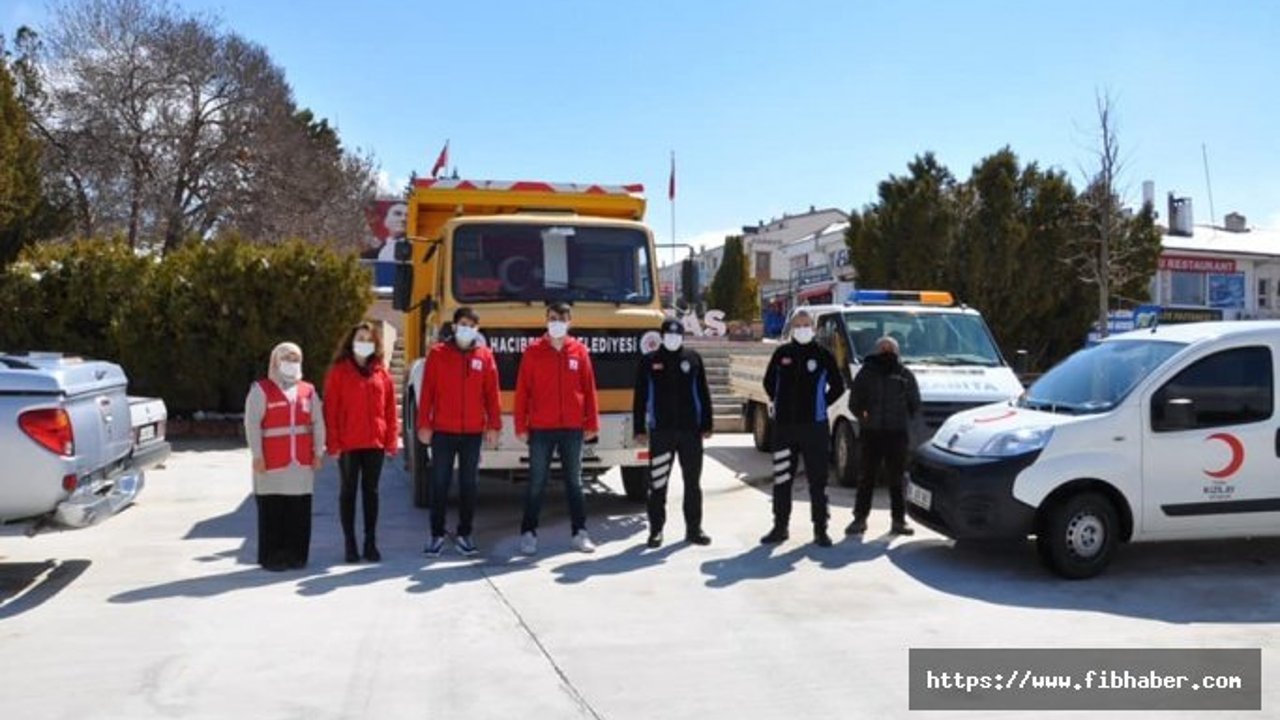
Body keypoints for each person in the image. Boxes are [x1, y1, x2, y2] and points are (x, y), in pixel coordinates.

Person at [514, 302, 600, 555]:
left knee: (574, 482)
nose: (557, 323)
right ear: (546, 320)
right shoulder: (533, 352)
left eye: (562, 318)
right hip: (541, 428)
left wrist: (592, 422)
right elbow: (522, 392)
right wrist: (521, 424)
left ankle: (580, 533)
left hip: (572, 428)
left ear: (570, 322)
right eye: (553, 318)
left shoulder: (579, 352)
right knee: (537, 483)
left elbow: (589, 388)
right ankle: (528, 533)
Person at [417, 307, 502, 557]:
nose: (467, 328)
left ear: (477, 329)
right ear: (454, 327)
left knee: (469, 485)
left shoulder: (485, 356)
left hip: (473, 432)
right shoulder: (438, 354)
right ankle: (436, 535)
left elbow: (491, 394)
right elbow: (428, 392)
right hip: (443, 431)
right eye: (463, 323)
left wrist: (494, 425)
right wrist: (424, 424)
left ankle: (465, 534)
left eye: (472, 325)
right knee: (440, 484)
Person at [760, 309, 846, 547]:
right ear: (792, 329)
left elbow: (838, 386)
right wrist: (781, 403)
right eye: (798, 325)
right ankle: (780, 527)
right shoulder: (782, 353)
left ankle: (821, 529)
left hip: (814, 428)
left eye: (806, 324)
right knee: (782, 479)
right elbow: (768, 383)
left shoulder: (823, 354)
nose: (802, 329)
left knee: (817, 481)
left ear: (814, 328)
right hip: (784, 428)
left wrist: (821, 405)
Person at [632, 319, 714, 548]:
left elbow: (703, 392)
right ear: (662, 335)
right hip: (661, 433)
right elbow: (639, 397)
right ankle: (656, 530)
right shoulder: (650, 361)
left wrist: (707, 424)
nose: (673, 337)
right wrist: (639, 428)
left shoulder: (693, 358)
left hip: (691, 432)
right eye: (669, 333)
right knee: (658, 483)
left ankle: (694, 529)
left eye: (677, 334)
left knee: (692, 483)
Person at [244, 342, 325, 571]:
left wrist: (318, 452)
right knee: (273, 510)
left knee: (298, 511)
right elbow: (252, 424)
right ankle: (273, 557)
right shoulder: (260, 390)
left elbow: (318, 423)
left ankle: (296, 555)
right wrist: (257, 455)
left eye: (295, 358)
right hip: (271, 464)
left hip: (300, 463)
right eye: (286, 358)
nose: (291, 363)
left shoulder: (308, 391)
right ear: (275, 361)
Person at [323, 321, 400, 562]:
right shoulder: (339, 371)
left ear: (374, 344)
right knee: (348, 492)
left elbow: (389, 410)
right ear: (351, 341)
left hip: (374, 442)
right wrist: (332, 443)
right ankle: (350, 544)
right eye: (360, 338)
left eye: (369, 340)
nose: (364, 344)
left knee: (371, 493)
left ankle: (370, 542)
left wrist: (391, 441)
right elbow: (331, 409)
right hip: (348, 443)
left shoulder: (381, 372)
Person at [846, 335, 921, 536]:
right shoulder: (866, 373)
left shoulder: (905, 374)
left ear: (897, 352)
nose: (887, 352)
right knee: (866, 478)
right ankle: (859, 519)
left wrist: (906, 421)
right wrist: (863, 418)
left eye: (891, 349)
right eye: (883, 348)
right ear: (877, 351)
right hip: (871, 434)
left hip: (897, 434)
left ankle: (899, 521)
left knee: (897, 480)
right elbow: (854, 402)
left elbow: (915, 403)